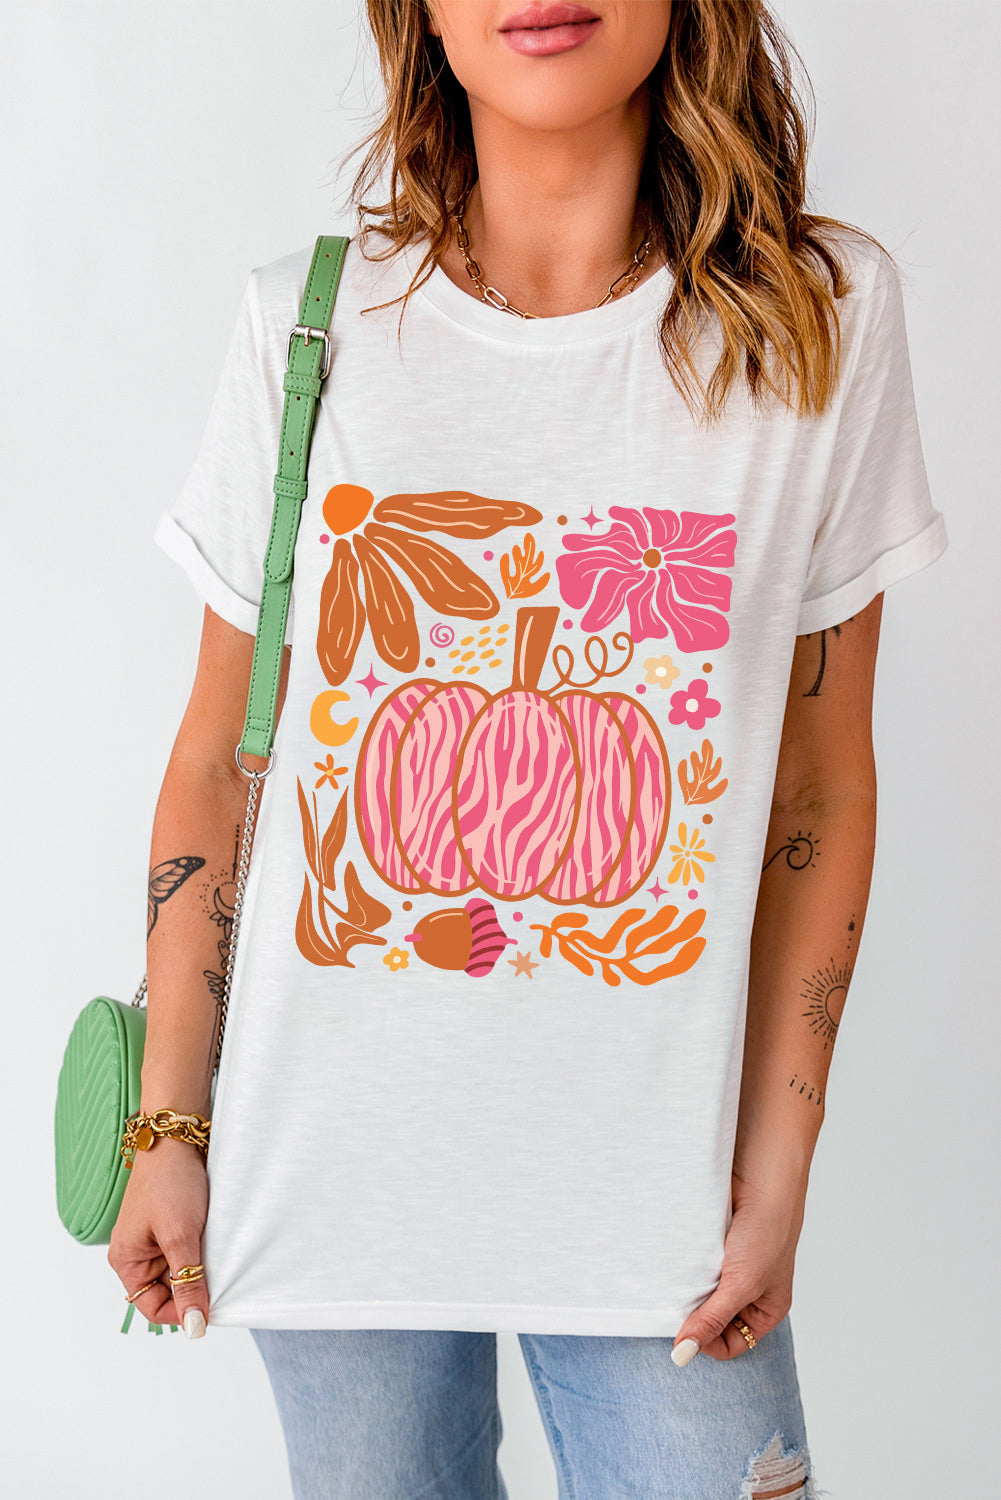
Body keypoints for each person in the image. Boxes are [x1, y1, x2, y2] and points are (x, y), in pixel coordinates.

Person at [107, 2, 948, 1496]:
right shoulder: (309, 324)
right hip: (327, 1187)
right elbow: (219, 763)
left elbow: (818, 786)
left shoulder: (813, 323)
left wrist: (776, 1171)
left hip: (661, 1212)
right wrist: (165, 1124)